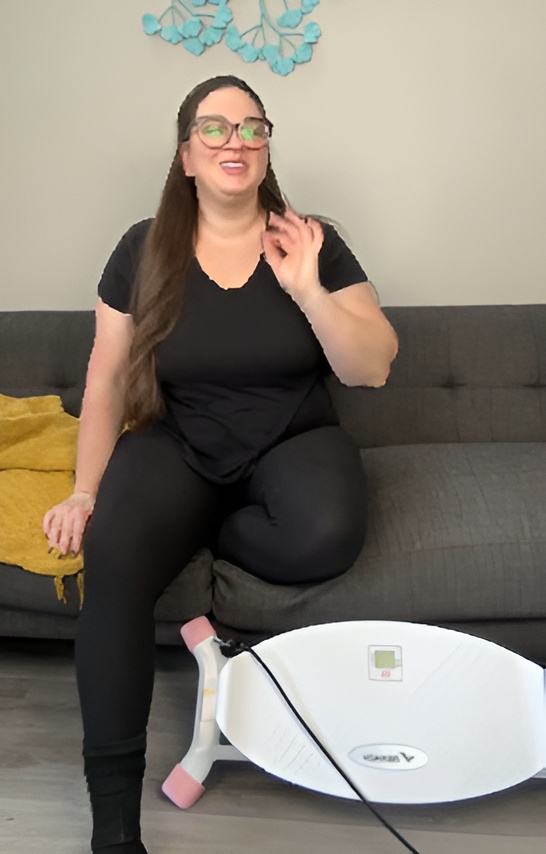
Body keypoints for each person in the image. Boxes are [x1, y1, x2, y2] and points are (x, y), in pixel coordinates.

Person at [43, 75, 398, 853]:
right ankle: (114, 826)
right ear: (187, 157)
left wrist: (308, 289)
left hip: (292, 439)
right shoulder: (142, 247)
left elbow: (371, 367)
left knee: (329, 534)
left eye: (251, 127)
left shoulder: (313, 240)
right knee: (114, 558)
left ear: (267, 147)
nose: (235, 140)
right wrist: (83, 490)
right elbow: (104, 376)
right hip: (180, 443)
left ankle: (206, 533)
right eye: (214, 128)